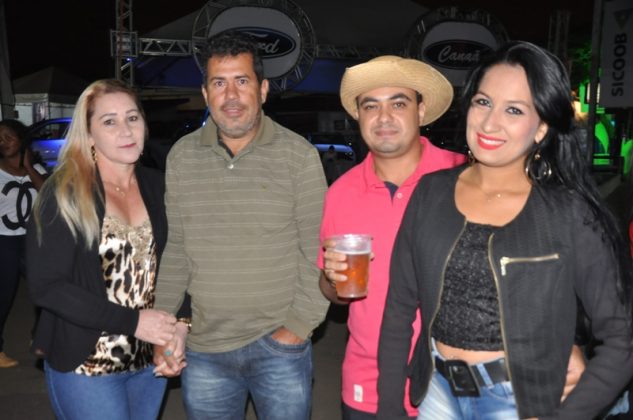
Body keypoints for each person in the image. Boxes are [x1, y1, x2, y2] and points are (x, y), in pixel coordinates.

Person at [376, 41, 633, 419]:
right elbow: (398, 311)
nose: (489, 123)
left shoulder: (568, 213)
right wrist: (387, 409)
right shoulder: (430, 193)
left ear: (542, 127)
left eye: (514, 110)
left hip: (517, 403)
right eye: (483, 102)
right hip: (437, 393)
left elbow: (621, 340)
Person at [152, 30, 329, 419]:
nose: (231, 95)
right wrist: (164, 325)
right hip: (204, 349)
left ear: (263, 90)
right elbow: (177, 249)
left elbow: (317, 250)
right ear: (205, 93)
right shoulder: (182, 157)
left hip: (280, 347)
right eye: (219, 83)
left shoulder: (298, 156)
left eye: (242, 81)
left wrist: (297, 327)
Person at [318, 55, 466, 419]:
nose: (384, 117)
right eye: (371, 106)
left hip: (455, 379)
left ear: (421, 110)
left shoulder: (463, 175)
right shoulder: (340, 193)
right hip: (368, 380)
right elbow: (332, 293)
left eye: (398, 104)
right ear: (358, 115)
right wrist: (332, 279)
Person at [25, 79, 177, 419]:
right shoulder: (64, 193)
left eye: (133, 118)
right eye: (109, 121)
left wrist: (177, 327)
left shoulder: (160, 186)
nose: (126, 130)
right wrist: (134, 322)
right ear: (89, 134)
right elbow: (47, 286)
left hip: (150, 360)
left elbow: (180, 263)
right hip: (88, 362)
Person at [0, 119, 47, 368]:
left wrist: (28, 167)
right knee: (3, 296)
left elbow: (49, 195)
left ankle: (40, 340)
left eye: (8, 136)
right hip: (4, 241)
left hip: (31, 240)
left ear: (21, 139)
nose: (3, 142)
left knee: (46, 291)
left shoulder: (36, 168)